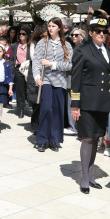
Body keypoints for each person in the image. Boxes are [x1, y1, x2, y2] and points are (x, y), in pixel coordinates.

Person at [71, 18, 110, 194]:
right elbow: (76, 78)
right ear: (91, 33)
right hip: (87, 102)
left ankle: (91, 174)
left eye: (104, 31)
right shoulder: (82, 50)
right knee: (87, 138)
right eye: (98, 31)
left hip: (103, 102)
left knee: (95, 138)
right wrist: (75, 105)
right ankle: (84, 177)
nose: (102, 34)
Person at [33, 17, 72, 152]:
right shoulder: (42, 43)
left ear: (60, 28)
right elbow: (36, 61)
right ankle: (42, 139)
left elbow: (69, 65)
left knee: (57, 111)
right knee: (46, 109)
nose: (50, 28)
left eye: (53, 26)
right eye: (49, 26)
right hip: (46, 80)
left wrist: (52, 64)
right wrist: (37, 77)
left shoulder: (66, 45)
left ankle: (55, 139)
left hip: (61, 81)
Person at [10, 27, 31, 119]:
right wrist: (12, 68)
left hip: (28, 68)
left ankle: (30, 106)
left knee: (29, 88)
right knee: (20, 90)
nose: (21, 35)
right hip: (18, 69)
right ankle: (21, 109)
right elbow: (12, 58)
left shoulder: (31, 46)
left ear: (27, 35)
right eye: (20, 34)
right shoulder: (15, 45)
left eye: (23, 34)